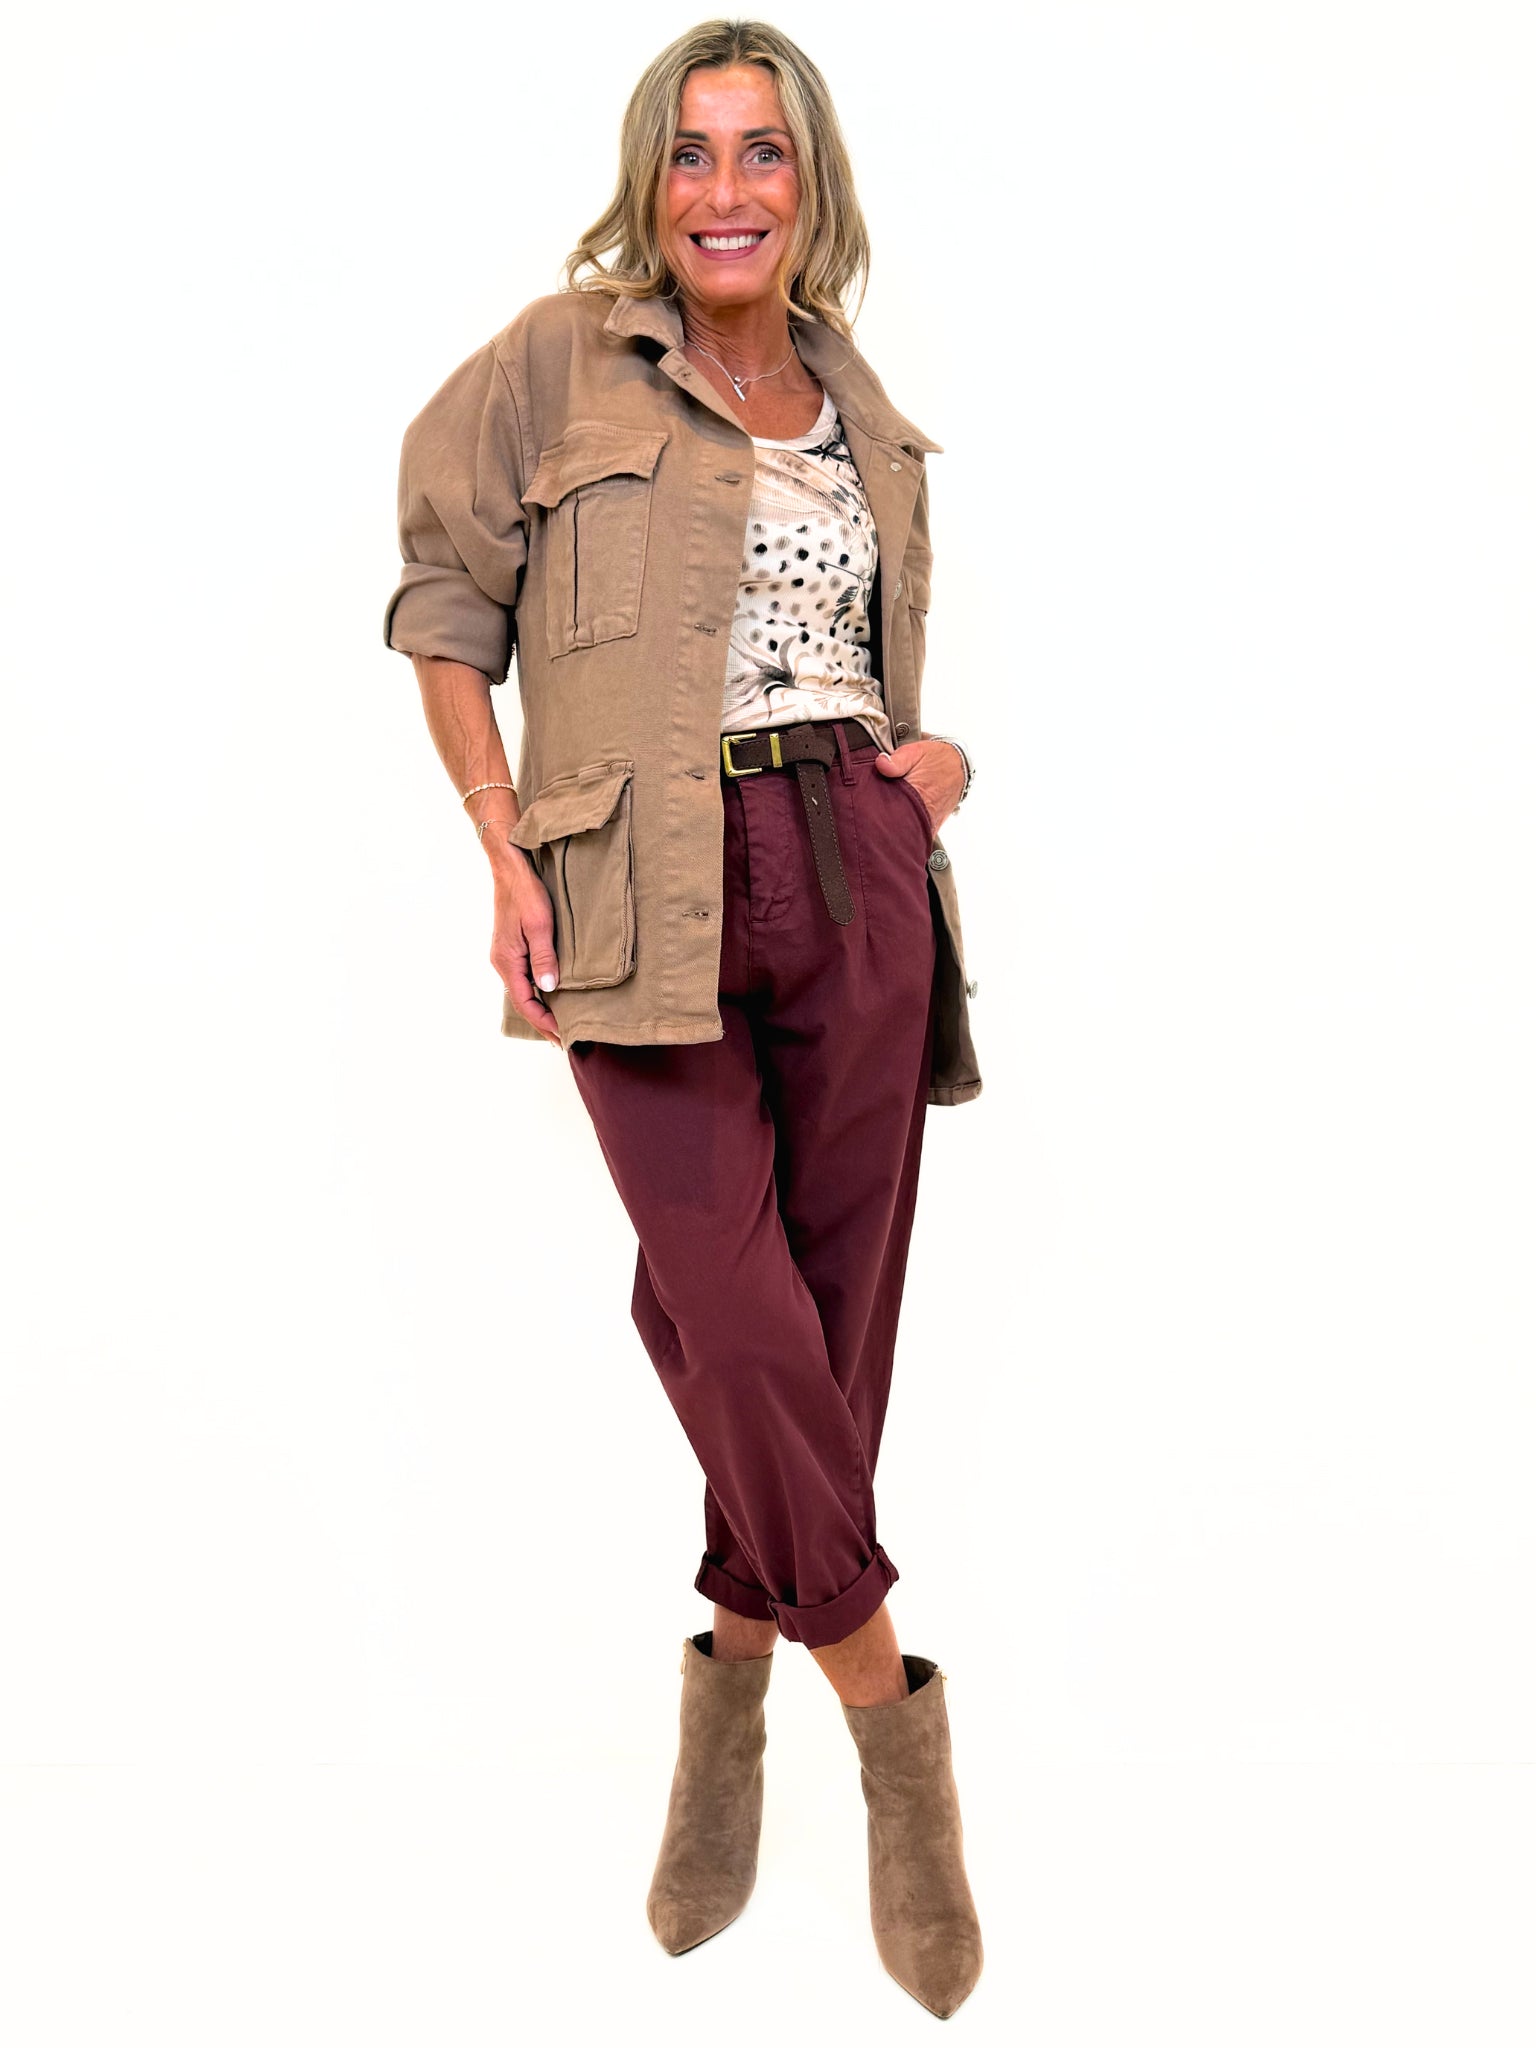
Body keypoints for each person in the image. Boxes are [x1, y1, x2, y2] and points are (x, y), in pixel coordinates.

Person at [382, 19, 984, 2020]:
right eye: (695, 153)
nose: (728, 191)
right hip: (634, 876)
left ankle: (728, 1691)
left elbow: (866, 659)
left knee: (832, 1315)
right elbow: (444, 606)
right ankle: (892, 1729)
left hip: (861, 865)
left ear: (814, 186)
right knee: (721, 1305)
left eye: (766, 154)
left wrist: (934, 768)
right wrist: (501, 844)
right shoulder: (555, 362)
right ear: (651, 179)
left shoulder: (862, 406)